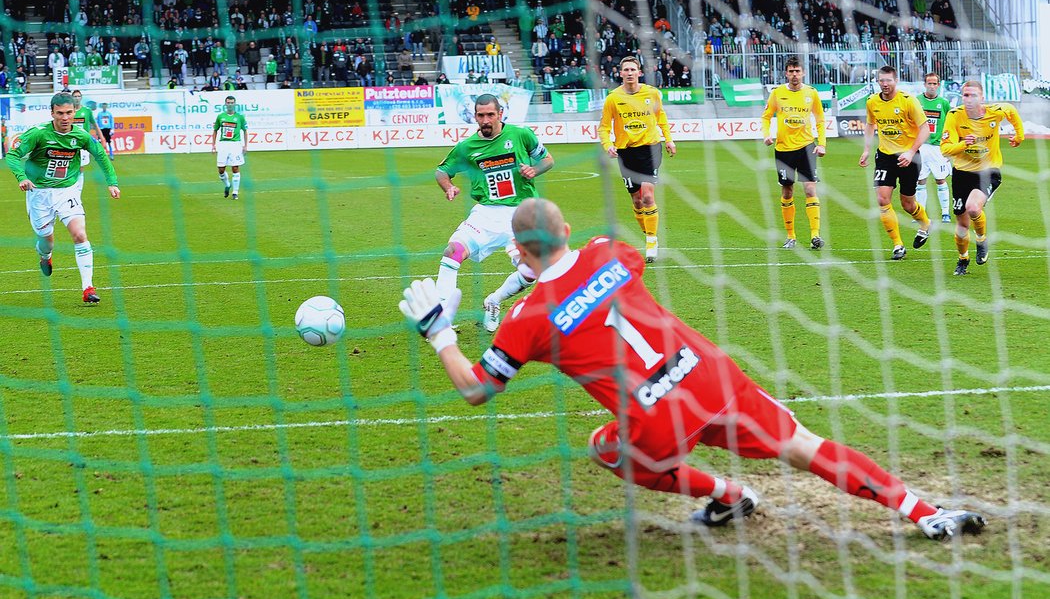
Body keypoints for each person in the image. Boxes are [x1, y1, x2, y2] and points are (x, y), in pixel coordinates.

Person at [399, 197, 987, 541]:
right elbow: (589, 274)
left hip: (654, 413)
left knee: (607, 449)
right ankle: (927, 513)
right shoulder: (613, 252)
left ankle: (726, 494)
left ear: (517, 251)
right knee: (805, 445)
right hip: (707, 373)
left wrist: (440, 332)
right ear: (568, 233)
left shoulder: (524, 321)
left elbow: (479, 388)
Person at [434, 93, 554, 332]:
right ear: (475, 117)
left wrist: (534, 170)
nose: (486, 120)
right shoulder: (467, 147)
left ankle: (494, 301)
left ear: (500, 114)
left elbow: (548, 160)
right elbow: (442, 171)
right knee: (452, 253)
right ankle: (440, 320)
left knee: (530, 272)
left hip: (522, 215)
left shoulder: (521, 135)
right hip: (486, 213)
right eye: (481, 115)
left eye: (490, 114)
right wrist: (449, 187)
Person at [4, 92, 120, 304]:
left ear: (75, 112)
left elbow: (100, 154)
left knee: (79, 235)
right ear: (52, 113)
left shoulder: (81, 136)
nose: (65, 118)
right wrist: (21, 177)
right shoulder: (38, 134)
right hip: (38, 193)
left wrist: (112, 182)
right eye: (60, 113)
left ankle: (88, 288)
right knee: (46, 241)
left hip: (67, 191)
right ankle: (45, 257)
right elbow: (12, 156)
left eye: (69, 113)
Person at [940, 81, 1025, 276]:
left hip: (989, 170)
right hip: (962, 173)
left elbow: (1011, 111)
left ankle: (981, 239)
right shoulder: (954, 116)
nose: (969, 100)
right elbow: (945, 149)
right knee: (961, 226)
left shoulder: (995, 111)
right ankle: (963, 259)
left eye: (973, 95)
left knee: (973, 207)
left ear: (982, 98)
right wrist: (962, 144)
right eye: (966, 95)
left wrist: (1019, 135)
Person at [597, 55, 676, 263]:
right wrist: (608, 145)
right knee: (637, 200)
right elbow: (604, 127)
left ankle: (652, 240)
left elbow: (661, 118)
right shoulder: (613, 98)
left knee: (648, 196)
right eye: (626, 70)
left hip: (650, 148)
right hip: (626, 152)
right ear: (620, 73)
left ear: (639, 72)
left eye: (633, 70)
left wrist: (669, 140)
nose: (630, 73)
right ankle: (647, 231)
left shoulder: (651, 93)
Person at [858, 65, 932, 260]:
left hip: (910, 157)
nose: (884, 84)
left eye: (888, 80)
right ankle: (898, 245)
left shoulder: (909, 101)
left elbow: (925, 129)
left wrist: (911, 151)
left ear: (896, 81)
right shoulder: (872, 101)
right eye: (881, 80)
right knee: (882, 199)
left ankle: (925, 224)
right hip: (885, 156)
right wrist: (866, 149)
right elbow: (870, 124)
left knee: (908, 204)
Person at [760, 56, 826, 250]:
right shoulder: (777, 93)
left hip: (807, 147)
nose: (794, 74)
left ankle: (815, 235)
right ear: (786, 73)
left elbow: (820, 120)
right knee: (787, 190)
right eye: (791, 71)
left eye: (797, 71)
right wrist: (766, 135)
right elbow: (766, 117)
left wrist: (821, 144)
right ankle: (791, 236)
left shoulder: (811, 93)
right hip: (783, 149)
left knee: (810, 189)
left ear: (803, 72)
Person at [915, 72, 953, 224]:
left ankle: (945, 213)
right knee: (920, 180)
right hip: (921, 146)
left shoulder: (944, 103)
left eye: (934, 83)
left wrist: (949, 146)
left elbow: (951, 124)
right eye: (929, 83)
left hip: (938, 148)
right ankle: (921, 213)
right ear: (924, 84)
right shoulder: (916, 101)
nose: (931, 86)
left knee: (940, 179)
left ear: (938, 85)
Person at [211, 95, 248, 200]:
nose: (230, 104)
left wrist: (245, 145)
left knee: (235, 167)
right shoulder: (220, 116)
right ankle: (227, 185)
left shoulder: (240, 117)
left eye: (232, 103)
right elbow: (215, 130)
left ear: (235, 104)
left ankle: (235, 192)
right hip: (223, 144)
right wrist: (213, 145)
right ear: (225, 104)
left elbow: (245, 131)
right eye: (228, 102)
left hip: (235, 144)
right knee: (221, 169)